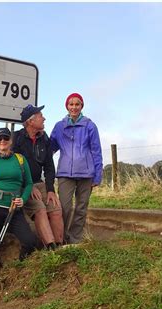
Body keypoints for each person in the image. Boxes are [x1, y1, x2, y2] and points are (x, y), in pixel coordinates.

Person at [0, 127, 39, 268]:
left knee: (29, 241)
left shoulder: (20, 159)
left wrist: (23, 199)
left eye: (6, 138)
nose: (2, 141)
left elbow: (29, 183)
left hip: (14, 209)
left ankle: (18, 271)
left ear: (11, 141)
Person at [50, 93, 103, 244]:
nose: (74, 107)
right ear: (67, 106)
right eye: (71, 104)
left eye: (77, 104)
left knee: (81, 207)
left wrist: (97, 175)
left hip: (86, 174)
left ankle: (75, 239)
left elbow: (96, 151)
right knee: (64, 207)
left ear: (81, 106)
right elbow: (50, 148)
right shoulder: (59, 126)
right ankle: (62, 237)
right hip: (65, 173)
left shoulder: (90, 126)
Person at [13, 104, 64, 250]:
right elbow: (13, 167)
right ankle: (50, 248)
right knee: (39, 208)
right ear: (30, 121)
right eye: (41, 116)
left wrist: (50, 189)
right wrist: (26, 186)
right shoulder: (16, 138)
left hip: (39, 183)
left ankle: (59, 246)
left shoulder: (44, 138)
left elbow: (49, 166)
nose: (44, 118)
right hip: (23, 185)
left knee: (55, 207)